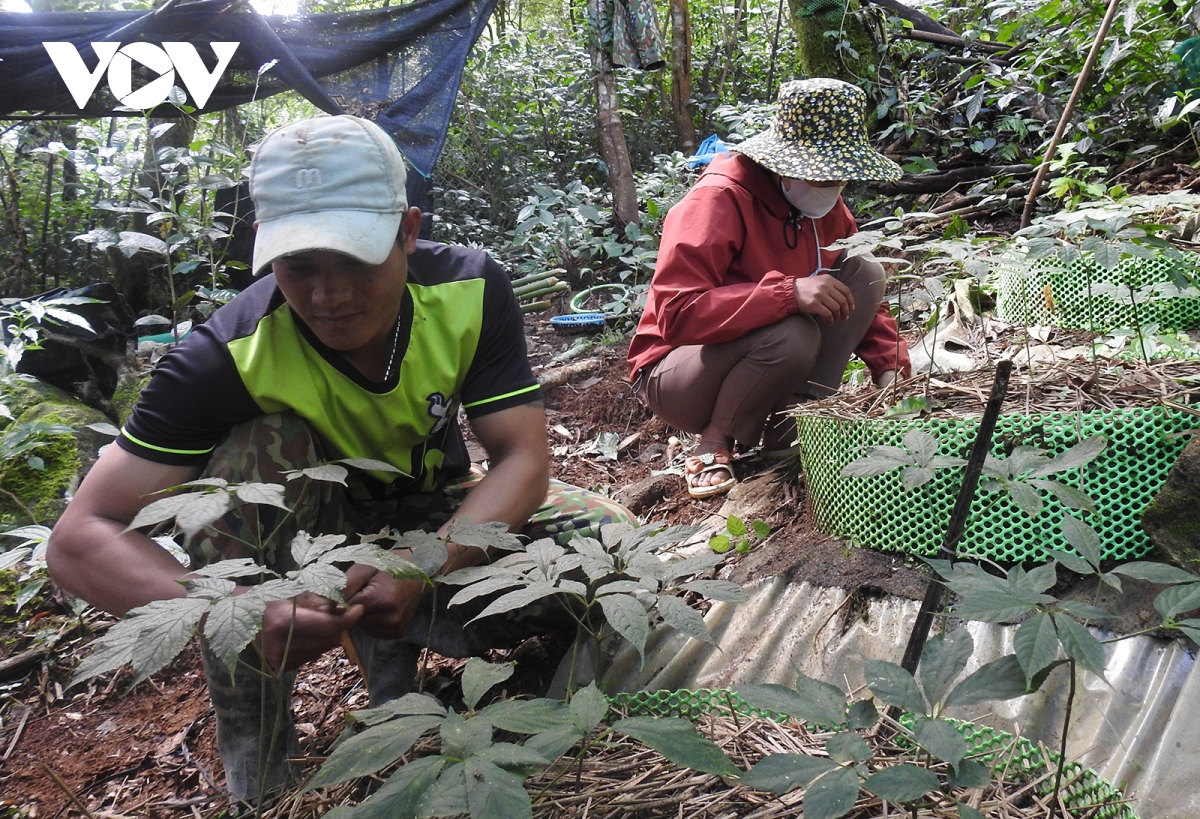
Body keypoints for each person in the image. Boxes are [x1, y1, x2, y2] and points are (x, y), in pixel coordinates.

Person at [47, 114, 634, 801]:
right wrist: (232, 613)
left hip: (433, 521)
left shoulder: (468, 291)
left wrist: (425, 563)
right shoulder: (225, 355)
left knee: (616, 550)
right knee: (249, 460)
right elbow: (78, 540)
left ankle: (531, 709)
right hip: (297, 562)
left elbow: (521, 461)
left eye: (354, 259)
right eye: (300, 266)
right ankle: (264, 780)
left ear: (408, 231)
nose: (328, 295)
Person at [627, 78, 912, 499]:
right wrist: (787, 294)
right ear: (780, 164)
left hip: (769, 359)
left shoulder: (830, 211)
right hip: (678, 374)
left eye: (840, 176)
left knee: (866, 270)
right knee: (794, 332)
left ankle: (792, 430)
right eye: (818, 174)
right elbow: (676, 314)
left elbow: (864, 305)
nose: (830, 186)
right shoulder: (717, 200)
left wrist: (891, 370)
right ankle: (716, 440)